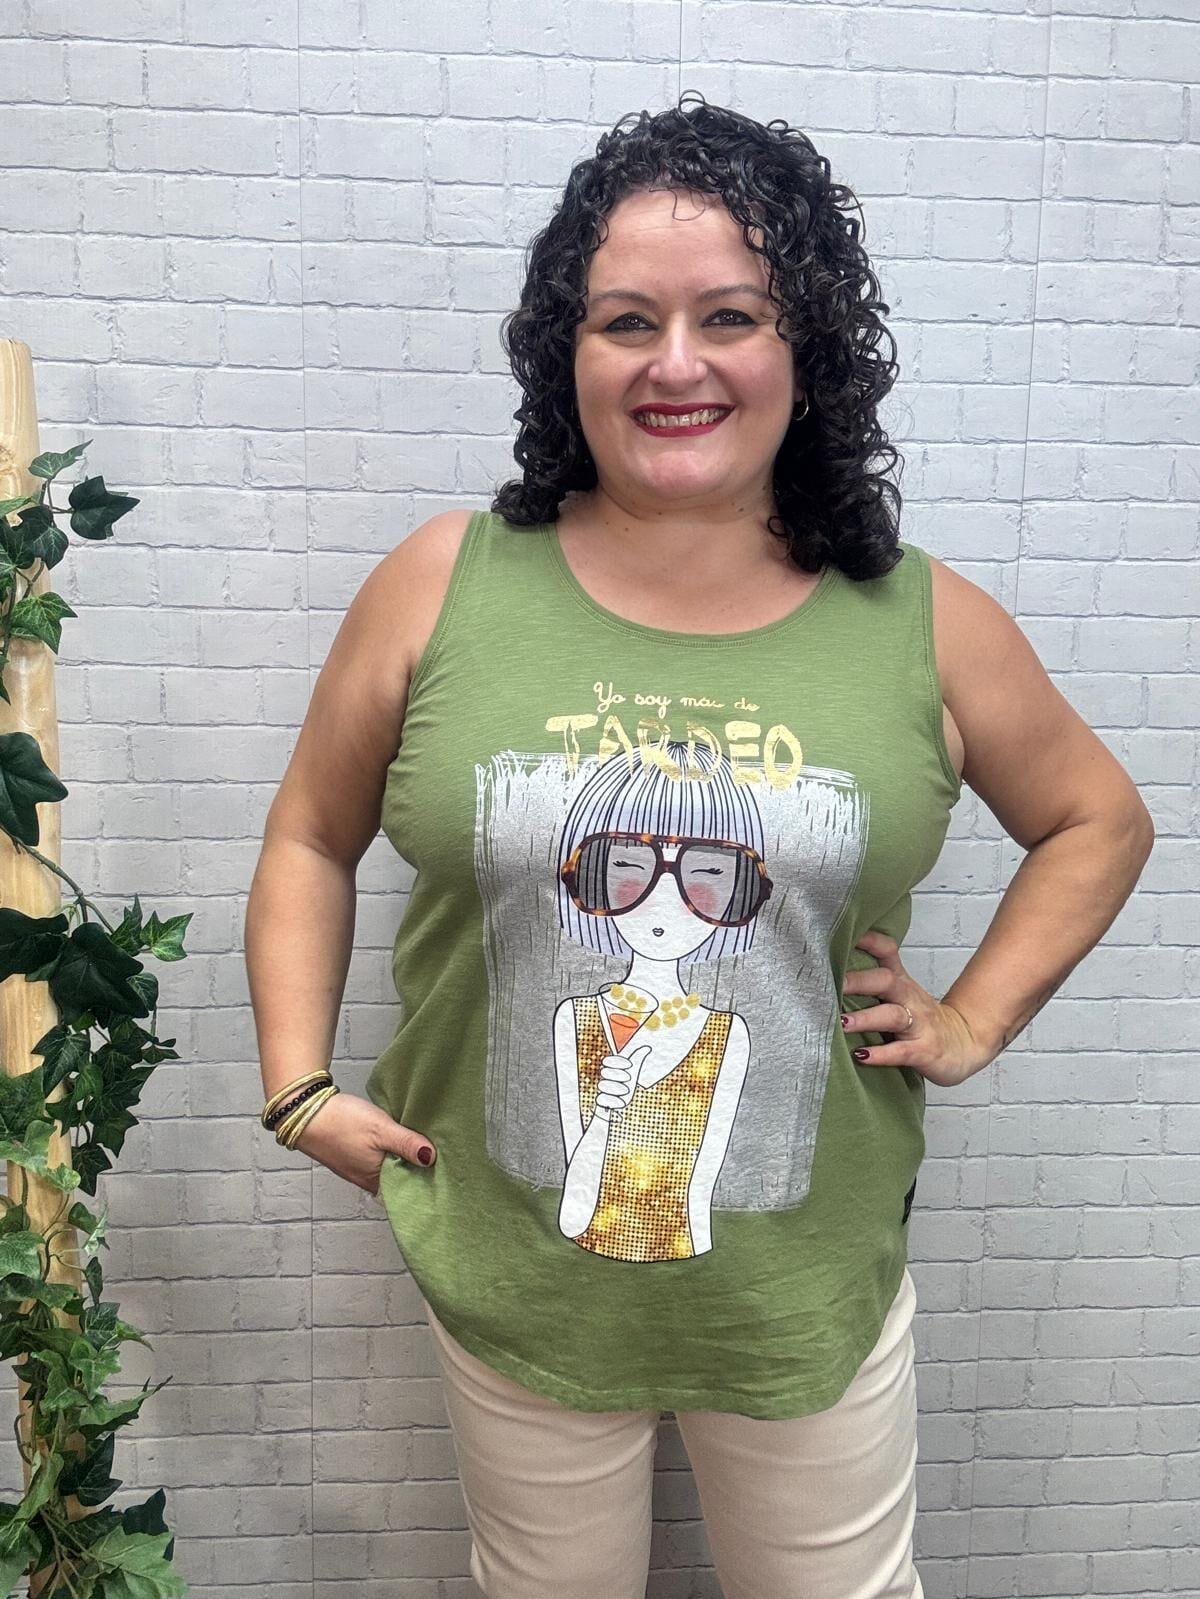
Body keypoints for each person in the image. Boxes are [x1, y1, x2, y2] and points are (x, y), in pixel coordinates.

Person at [244, 94, 1155, 1599]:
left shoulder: (921, 620)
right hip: (512, 1277)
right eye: (626, 321)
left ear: (807, 349)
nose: (677, 364)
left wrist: (974, 1019)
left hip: (801, 1293)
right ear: (568, 352)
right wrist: (297, 1088)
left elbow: (1097, 820)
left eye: (729, 316)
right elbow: (307, 836)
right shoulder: (441, 581)